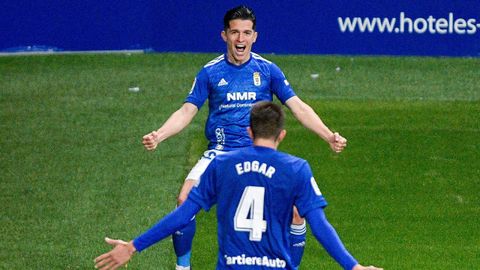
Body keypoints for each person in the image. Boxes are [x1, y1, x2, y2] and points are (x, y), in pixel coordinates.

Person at [141, 5, 347, 270]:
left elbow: (298, 106)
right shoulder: (210, 72)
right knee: (184, 200)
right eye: (235, 33)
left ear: (255, 36)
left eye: (246, 33)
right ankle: (183, 267)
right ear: (224, 35)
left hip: (261, 151)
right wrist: (160, 135)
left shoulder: (269, 70)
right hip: (221, 152)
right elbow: (186, 111)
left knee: (298, 211)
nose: (241, 39)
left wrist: (328, 135)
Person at [95, 102, 381, 270]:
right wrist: (353, 266)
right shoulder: (297, 169)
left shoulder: (222, 165)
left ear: (248, 131)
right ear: (282, 134)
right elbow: (319, 225)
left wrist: (133, 246)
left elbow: (183, 214)